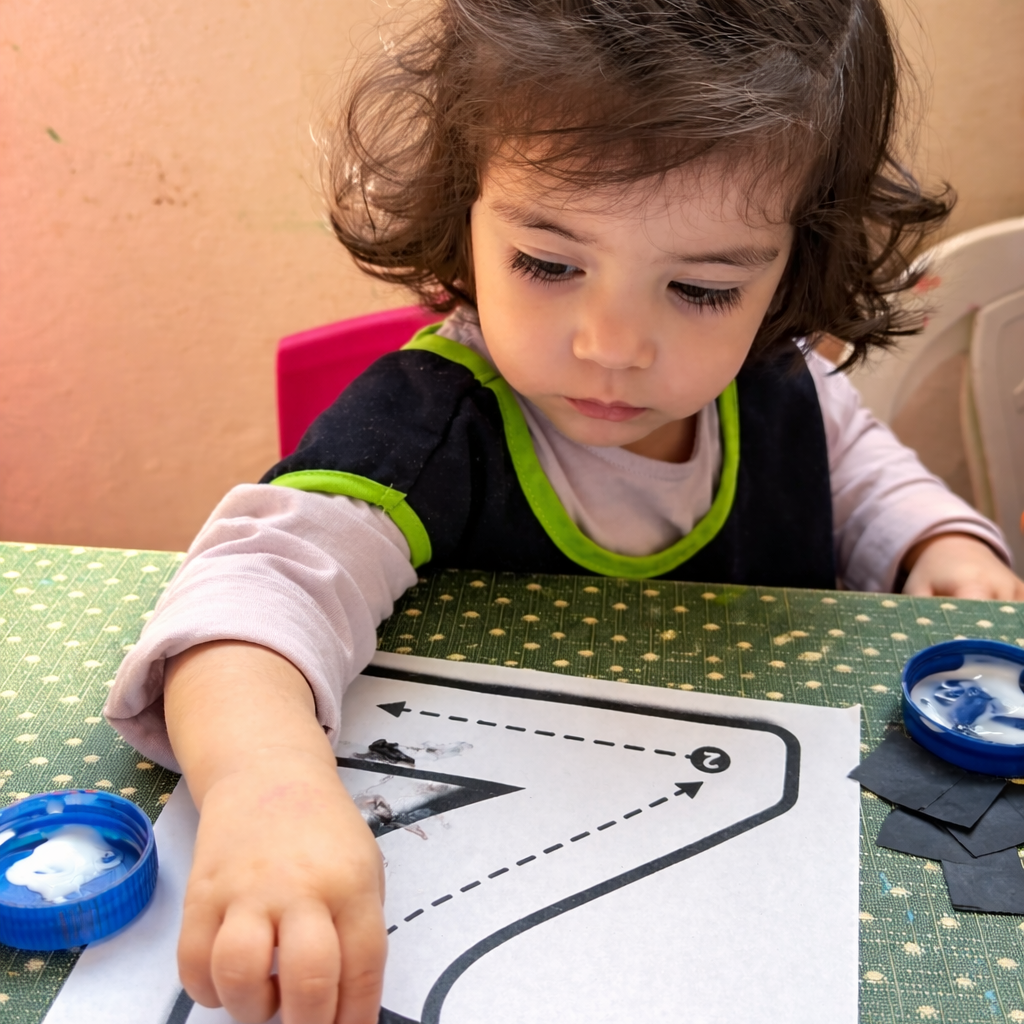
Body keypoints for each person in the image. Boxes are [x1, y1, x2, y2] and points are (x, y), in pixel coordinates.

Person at [107, 0, 1024, 1021]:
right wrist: (265, 793)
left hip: (738, 887)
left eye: (702, 287)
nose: (612, 342)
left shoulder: (778, 380)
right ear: (465, 207)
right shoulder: (425, 430)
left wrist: (932, 538)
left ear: (792, 260)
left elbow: (854, 464)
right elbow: (243, 601)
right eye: (548, 264)